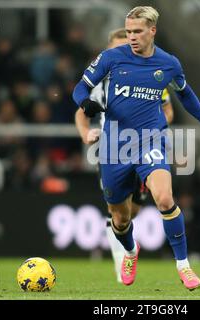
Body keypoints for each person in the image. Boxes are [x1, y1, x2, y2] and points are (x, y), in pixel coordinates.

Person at [72, 6, 200, 290]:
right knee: (120, 218)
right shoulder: (111, 58)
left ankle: (184, 266)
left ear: (152, 30)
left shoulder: (168, 64)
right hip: (115, 145)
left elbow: (186, 95)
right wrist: (86, 103)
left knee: (165, 199)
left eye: (137, 31)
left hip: (150, 142)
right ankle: (130, 251)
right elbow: (79, 88)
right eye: (128, 31)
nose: (131, 37)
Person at [74, 27, 174, 283]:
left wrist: (155, 124)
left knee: (134, 211)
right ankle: (122, 263)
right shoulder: (101, 82)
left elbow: (168, 109)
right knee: (116, 211)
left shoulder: (148, 75)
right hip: (112, 147)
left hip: (142, 146)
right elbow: (81, 110)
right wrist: (86, 133)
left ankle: (127, 251)